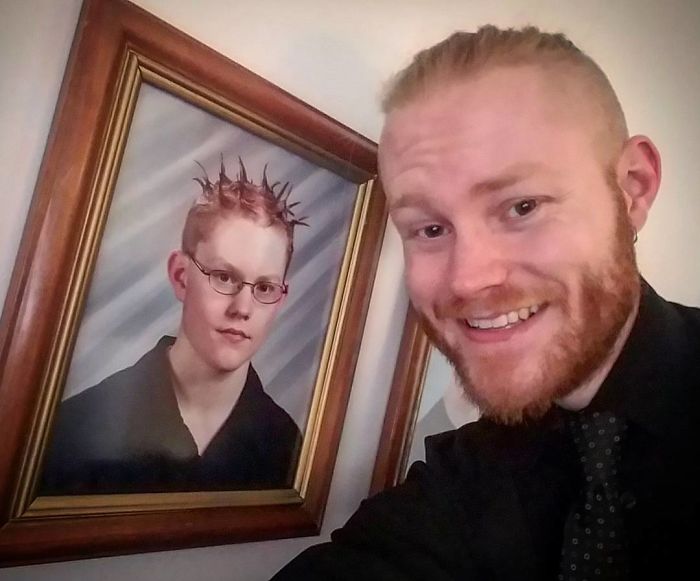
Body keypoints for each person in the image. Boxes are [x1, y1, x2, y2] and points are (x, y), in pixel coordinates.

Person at [272, 25, 700, 580]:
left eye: (522, 206)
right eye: (429, 228)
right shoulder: (469, 472)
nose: (468, 280)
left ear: (633, 188)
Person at [40, 158, 308, 495]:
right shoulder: (75, 429)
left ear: (281, 298)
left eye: (265, 288)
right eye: (224, 277)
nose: (242, 309)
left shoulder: (287, 447)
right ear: (181, 276)